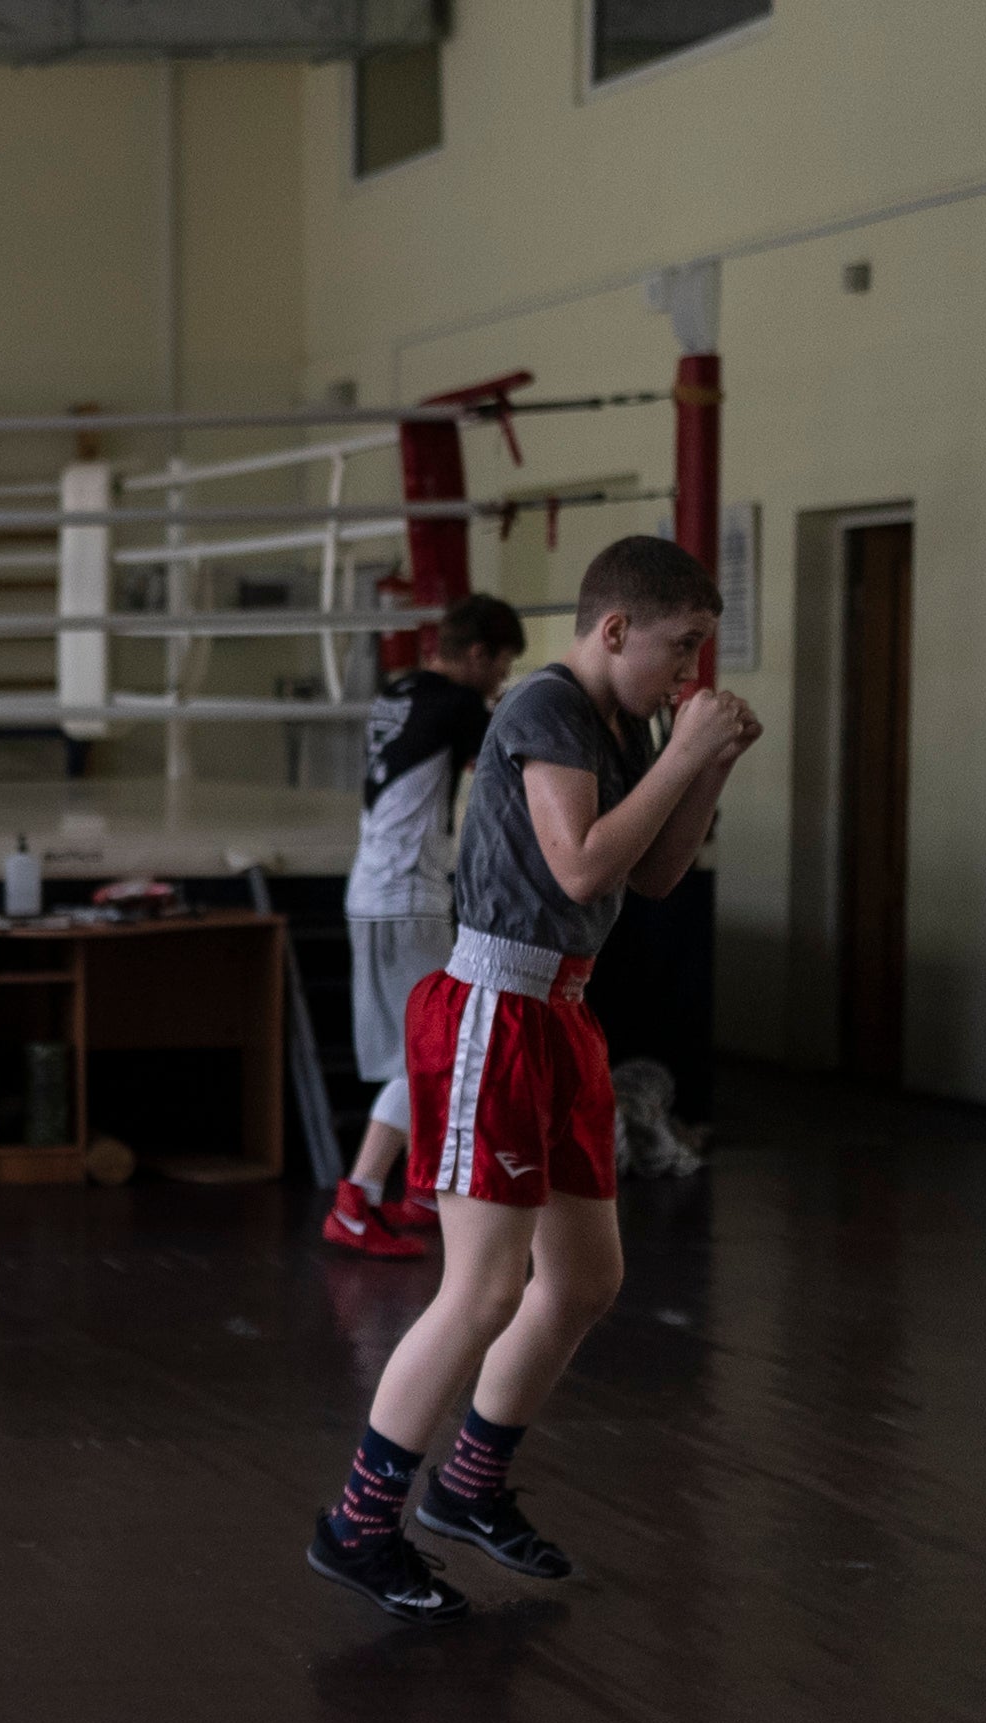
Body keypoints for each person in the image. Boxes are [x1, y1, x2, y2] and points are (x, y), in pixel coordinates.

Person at [303, 537, 760, 1618]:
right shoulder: (546, 709)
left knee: (586, 1280)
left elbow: (651, 876)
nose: (689, 674)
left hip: (561, 1011)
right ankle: (358, 1523)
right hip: (493, 1010)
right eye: (679, 648)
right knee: (484, 1288)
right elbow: (581, 864)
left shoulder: (624, 720)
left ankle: (467, 1487)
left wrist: (703, 762)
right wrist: (681, 754)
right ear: (614, 630)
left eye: (700, 652)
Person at [323, 594, 528, 1259]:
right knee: (428, 1054)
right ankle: (357, 1197)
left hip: (379, 891)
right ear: (477, 655)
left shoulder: (399, 692)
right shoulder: (459, 705)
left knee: (426, 1051)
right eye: (501, 666)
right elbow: (512, 762)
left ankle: (417, 1189)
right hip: (404, 898)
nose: (498, 680)